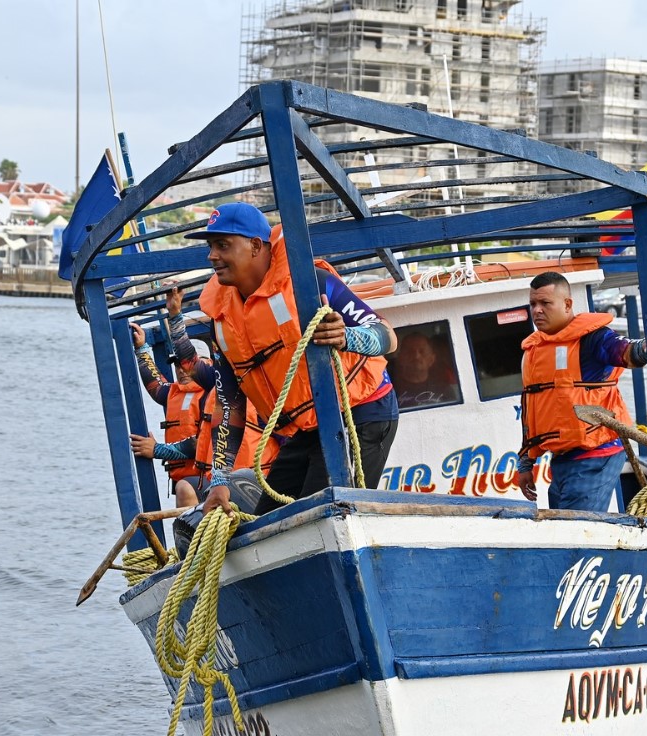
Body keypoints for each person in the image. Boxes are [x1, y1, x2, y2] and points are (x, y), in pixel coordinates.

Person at [188, 202, 399, 517]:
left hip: (365, 412)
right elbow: (229, 403)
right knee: (266, 522)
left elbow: (388, 336)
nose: (212, 256)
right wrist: (220, 480)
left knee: (316, 516)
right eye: (210, 246)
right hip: (308, 428)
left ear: (256, 246)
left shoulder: (309, 283)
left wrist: (347, 337)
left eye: (222, 245)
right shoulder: (222, 320)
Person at [516, 270, 647, 512]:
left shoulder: (592, 339)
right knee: (560, 524)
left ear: (567, 304)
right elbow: (530, 410)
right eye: (533, 303)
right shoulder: (534, 350)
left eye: (545, 303)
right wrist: (525, 462)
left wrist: (646, 349)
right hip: (561, 459)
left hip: (597, 453)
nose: (537, 310)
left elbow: (623, 351)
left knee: (574, 528)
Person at [127, 291, 218, 508]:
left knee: (184, 489)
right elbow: (154, 383)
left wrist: (157, 449)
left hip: (213, 480)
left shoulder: (214, 392)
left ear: (206, 364)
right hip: (188, 480)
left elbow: (201, 444)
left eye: (189, 364)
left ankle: (195, 540)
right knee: (184, 489)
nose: (182, 369)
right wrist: (142, 349)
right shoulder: (174, 393)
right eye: (177, 364)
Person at [391, 330, 459, 408]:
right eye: (410, 351)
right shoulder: (388, 390)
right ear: (400, 358)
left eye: (422, 351)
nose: (416, 356)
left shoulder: (445, 389)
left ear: (431, 359)